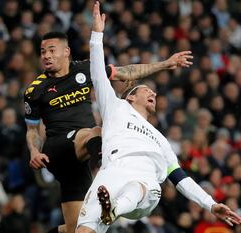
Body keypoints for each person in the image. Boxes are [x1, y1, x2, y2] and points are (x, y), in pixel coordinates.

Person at [75, 2, 241, 233]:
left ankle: (114, 209)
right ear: (131, 97)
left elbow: (181, 179)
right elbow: (97, 72)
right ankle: (110, 209)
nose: (153, 93)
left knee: (138, 187)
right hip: (110, 173)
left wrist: (211, 204)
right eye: (146, 90)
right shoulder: (115, 107)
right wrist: (97, 34)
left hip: (144, 182)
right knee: (83, 229)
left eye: (153, 92)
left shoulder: (160, 139)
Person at [24, 9, 193, 233]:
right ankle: (109, 174)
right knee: (100, 131)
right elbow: (32, 130)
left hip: (80, 160)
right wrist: (34, 152)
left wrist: (164, 64)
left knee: (78, 229)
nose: (46, 55)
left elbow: (126, 72)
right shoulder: (35, 90)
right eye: (43, 51)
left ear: (66, 52)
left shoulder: (84, 70)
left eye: (51, 50)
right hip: (59, 148)